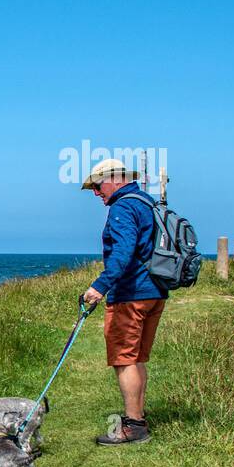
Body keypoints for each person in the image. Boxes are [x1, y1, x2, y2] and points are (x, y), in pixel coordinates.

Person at [80, 158, 167, 446]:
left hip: (131, 295)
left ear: (115, 179)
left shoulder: (122, 207)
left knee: (124, 359)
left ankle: (133, 427)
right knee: (137, 358)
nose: (96, 193)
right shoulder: (146, 202)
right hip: (155, 291)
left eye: (97, 185)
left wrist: (98, 287)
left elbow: (124, 251)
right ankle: (138, 417)